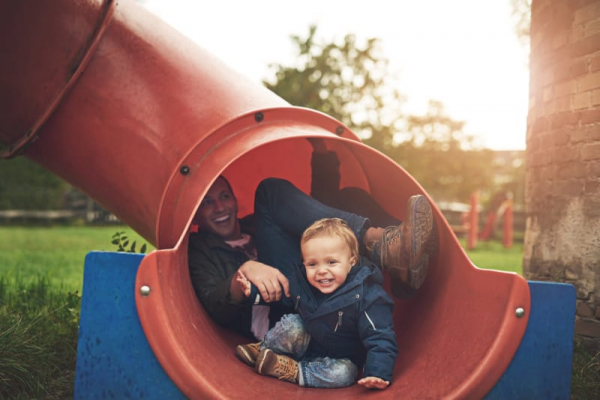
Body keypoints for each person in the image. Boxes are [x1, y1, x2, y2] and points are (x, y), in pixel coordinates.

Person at [188, 144, 437, 341]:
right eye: (207, 202)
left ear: (234, 200)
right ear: (195, 214)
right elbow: (213, 303)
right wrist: (243, 272)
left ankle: (406, 262)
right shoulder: (200, 248)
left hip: (319, 284)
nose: (219, 207)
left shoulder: (255, 225)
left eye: (224, 197)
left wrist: (321, 150)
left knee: (349, 196)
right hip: (281, 316)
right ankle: (385, 246)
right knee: (269, 191)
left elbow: (313, 209)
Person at [235, 218, 397, 389]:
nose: (321, 271)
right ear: (304, 264)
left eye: (331, 262)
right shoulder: (303, 282)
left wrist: (377, 373)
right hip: (308, 343)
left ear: (352, 261)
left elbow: (380, 337)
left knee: (344, 374)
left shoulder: (367, 297)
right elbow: (282, 295)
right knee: (293, 324)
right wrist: (253, 292)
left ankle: (292, 370)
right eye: (312, 264)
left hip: (340, 358)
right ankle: (264, 349)